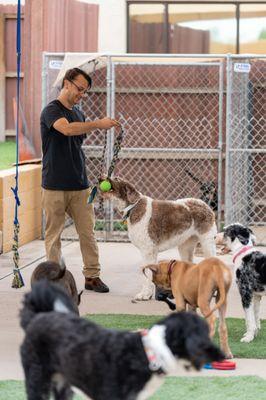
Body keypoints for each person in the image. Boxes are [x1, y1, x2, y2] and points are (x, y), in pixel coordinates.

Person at [40, 67, 119, 293]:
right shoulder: (51, 111)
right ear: (67, 83)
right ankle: (54, 281)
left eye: (85, 92)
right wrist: (97, 123)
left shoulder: (79, 113)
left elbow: (76, 142)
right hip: (54, 184)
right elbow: (66, 130)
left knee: (87, 233)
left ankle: (92, 277)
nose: (82, 94)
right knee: (53, 235)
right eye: (80, 89)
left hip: (80, 185)